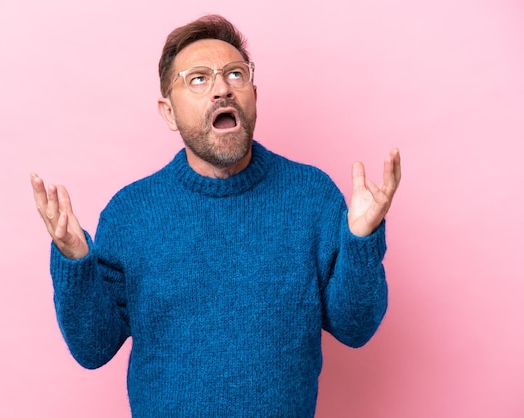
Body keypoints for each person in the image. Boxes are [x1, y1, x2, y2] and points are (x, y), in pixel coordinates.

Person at [31, 14, 401, 418]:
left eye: (235, 74)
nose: (222, 88)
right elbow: (93, 348)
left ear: (254, 96)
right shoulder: (131, 213)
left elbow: (355, 328)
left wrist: (362, 240)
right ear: (169, 112)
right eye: (198, 79)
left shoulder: (312, 196)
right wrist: (74, 261)